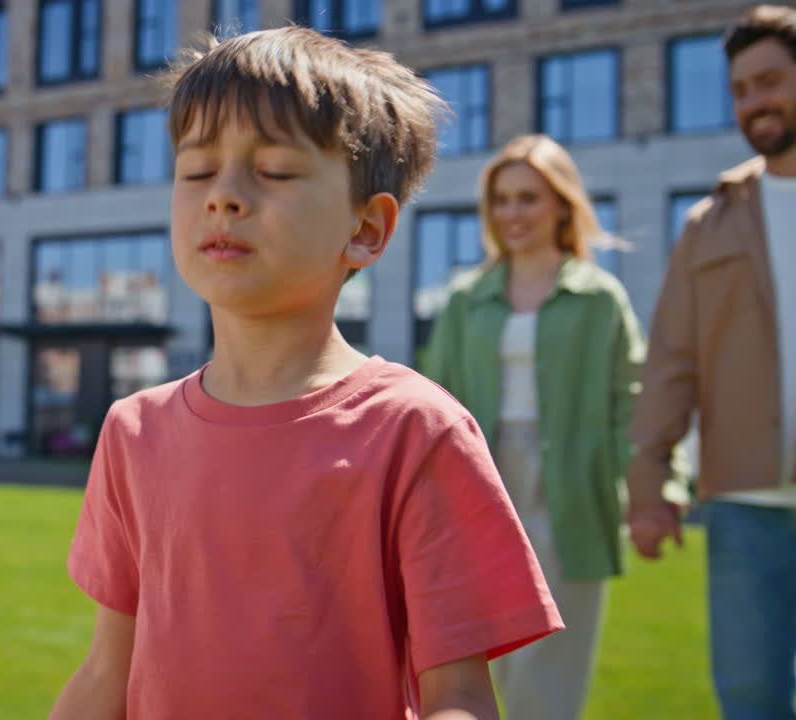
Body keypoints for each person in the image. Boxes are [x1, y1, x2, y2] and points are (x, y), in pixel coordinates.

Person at [48, 26, 562, 720]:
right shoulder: (133, 431)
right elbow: (109, 672)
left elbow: (460, 698)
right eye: (198, 170)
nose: (223, 196)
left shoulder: (417, 430)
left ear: (367, 230)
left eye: (276, 172)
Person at [422, 134, 645, 720]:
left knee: (555, 661)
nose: (513, 213)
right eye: (502, 200)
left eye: (528, 198)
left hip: (574, 489)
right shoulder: (467, 298)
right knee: (481, 659)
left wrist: (648, 489)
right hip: (480, 486)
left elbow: (632, 402)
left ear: (561, 204)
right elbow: (433, 398)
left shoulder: (601, 298)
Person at [628, 5, 796, 719]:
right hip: (743, 505)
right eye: (740, 90)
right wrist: (648, 482)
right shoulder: (710, 223)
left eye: (770, 82)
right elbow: (672, 361)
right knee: (751, 700)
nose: (754, 103)